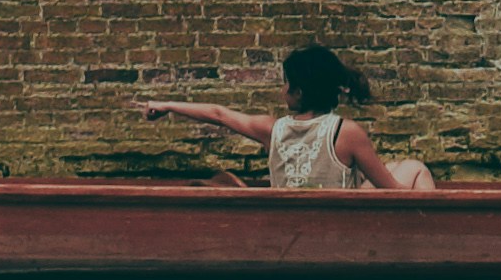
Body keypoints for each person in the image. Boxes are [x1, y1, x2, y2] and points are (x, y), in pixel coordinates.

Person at [139, 43, 436, 191]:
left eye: (287, 83)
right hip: (337, 221)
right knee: (414, 167)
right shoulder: (347, 132)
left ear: (300, 92)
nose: (283, 89)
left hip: (293, 221)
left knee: (395, 167)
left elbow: (218, 114)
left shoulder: (271, 129)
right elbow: (394, 192)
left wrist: (165, 105)